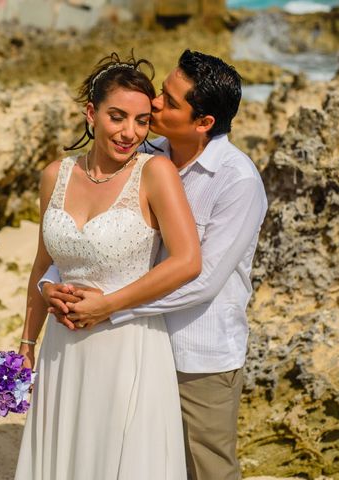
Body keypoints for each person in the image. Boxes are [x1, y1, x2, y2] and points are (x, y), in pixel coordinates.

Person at [42, 50, 268, 480]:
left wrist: (110, 307)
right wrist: (57, 288)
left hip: (196, 353)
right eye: (162, 90)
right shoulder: (142, 154)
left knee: (207, 468)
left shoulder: (237, 182)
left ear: (203, 123)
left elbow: (201, 281)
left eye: (169, 99)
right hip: (132, 343)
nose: (156, 103)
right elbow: (90, 242)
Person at [13, 53, 201, 480]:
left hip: (126, 343)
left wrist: (108, 305)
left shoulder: (155, 172)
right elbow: (44, 262)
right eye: (117, 117)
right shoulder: (54, 176)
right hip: (63, 348)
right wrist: (28, 341)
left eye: (141, 121)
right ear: (91, 113)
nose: (129, 132)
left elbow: (188, 260)